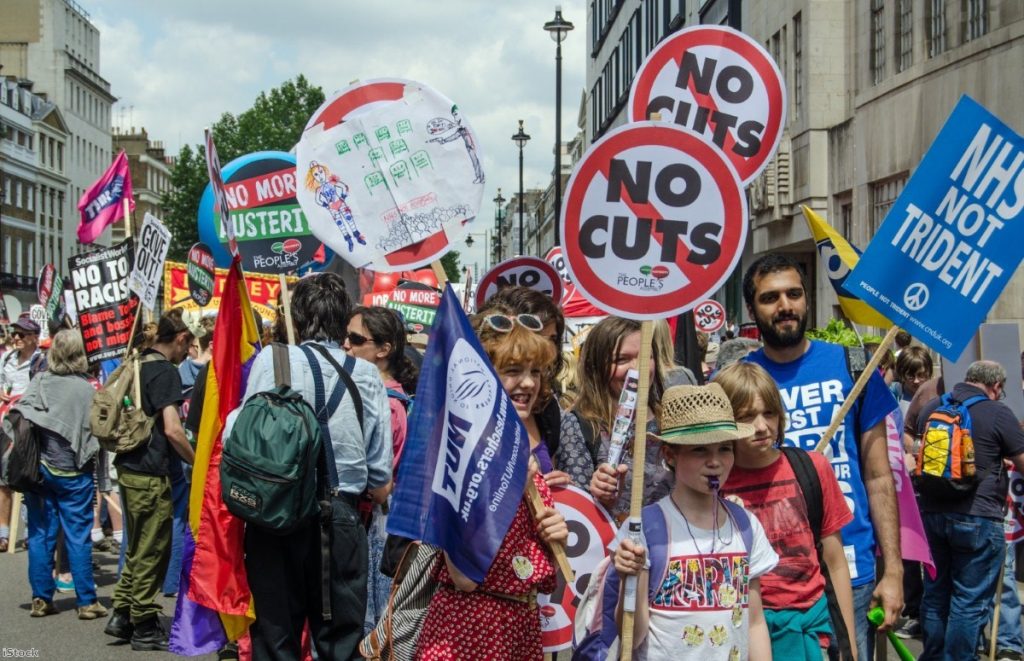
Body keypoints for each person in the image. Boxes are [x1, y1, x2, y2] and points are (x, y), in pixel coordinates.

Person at [741, 253, 903, 660]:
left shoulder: (852, 367)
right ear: (752, 309)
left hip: (850, 568)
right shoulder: (737, 381)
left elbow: (880, 475)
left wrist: (895, 571)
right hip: (767, 584)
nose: (785, 306)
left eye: (794, 294)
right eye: (770, 297)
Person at [237, 272, 392, 660]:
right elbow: (378, 471)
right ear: (343, 321)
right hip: (340, 517)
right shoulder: (366, 375)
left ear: (297, 316)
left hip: (274, 515)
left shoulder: (271, 361)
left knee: (275, 639)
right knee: (340, 642)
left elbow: (238, 439)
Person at [415, 312, 568, 660]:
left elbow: (540, 577)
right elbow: (464, 576)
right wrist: (509, 487)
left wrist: (556, 539)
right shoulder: (460, 455)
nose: (529, 384)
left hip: (519, 628)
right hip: (472, 631)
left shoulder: (523, 457)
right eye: (513, 371)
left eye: (535, 372)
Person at [609, 383, 778, 660]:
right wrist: (632, 575)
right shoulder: (645, 529)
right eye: (699, 450)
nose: (715, 462)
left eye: (724, 448)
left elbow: (755, 622)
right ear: (670, 455)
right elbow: (632, 635)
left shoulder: (745, 525)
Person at [715, 362, 857, 659]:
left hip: (813, 631)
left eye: (769, 413)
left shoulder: (812, 468)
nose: (762, 426)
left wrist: (848, 644)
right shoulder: (714, 484)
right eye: (746, 416)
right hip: (746, 633)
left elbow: (835, 561)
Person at [915, 360, 1024, 661]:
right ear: (996, 386)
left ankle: (934, 656)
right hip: (978, 517)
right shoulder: (998, 412)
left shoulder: (933, 408)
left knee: (935, 595)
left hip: (932, 514)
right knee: (969, 601)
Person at [104, 309, 197, 651]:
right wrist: (196, 460)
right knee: (153, 549)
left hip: (128, 466)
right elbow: (173, 429)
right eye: (187, 346)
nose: (188, 354)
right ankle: (144, 622)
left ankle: (123, 613)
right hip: (150, 469)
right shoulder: (164, 372)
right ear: (180, 339)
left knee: (137, 547)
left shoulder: (137, 362)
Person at [11, 330, 107, 620]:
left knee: (41, 535)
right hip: (74, 473)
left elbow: (19, 414)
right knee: (78, 537)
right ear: (80, 355)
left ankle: (41, 599)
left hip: (39, 472)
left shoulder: (39, 381)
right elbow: (98, 434)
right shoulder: (89, 390)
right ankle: (87, 602)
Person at [342, 305, 417, 634]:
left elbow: (380, 484)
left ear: (384, 350)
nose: (346, 345)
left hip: (375, 524)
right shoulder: (372, 395)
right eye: (346, 336)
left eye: (357, 339)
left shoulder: (386, 405)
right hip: (368, 521)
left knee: (372, 623)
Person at [556, 316, 670, 522]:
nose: (638, 368)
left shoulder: (671, 417)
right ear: (597, 366)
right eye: (622, 360)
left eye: (646, 356)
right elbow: (578, 512)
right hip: (614, 547)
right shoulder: (580, 424)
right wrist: (601, 496)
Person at [0, 315, 44, 552]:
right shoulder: (6, 358)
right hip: (7, 421)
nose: (15, 338)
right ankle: (3, 533)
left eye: (21, 334)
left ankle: (30, 531)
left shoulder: (41, 362)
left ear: (34, 338)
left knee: (28, 476)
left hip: (29, 425)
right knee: (4, 477)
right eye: (14, 334)